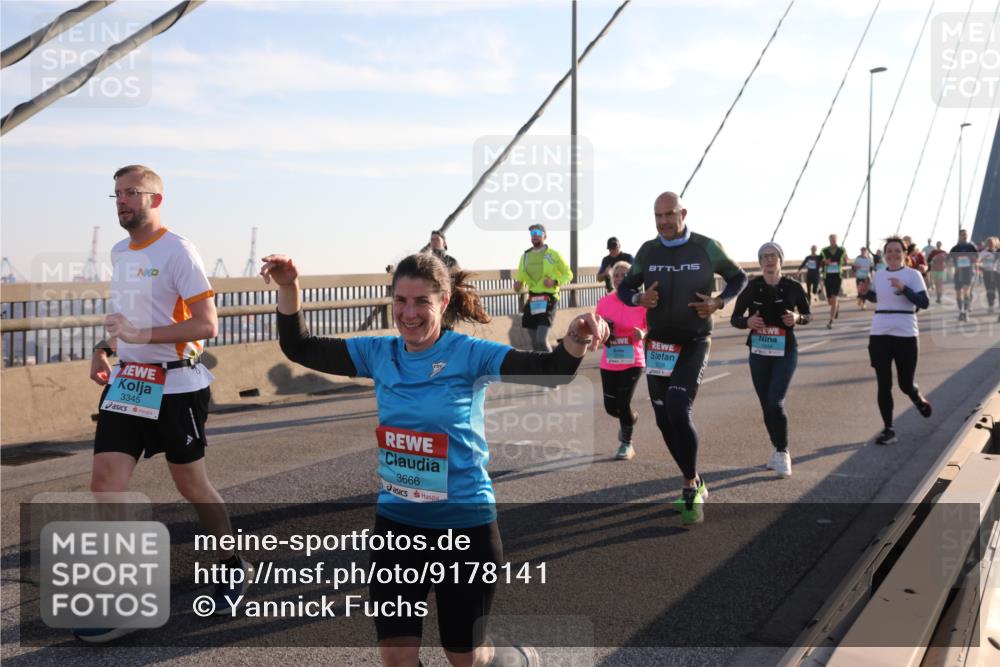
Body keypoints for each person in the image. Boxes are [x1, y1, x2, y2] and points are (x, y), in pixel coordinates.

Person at [261, 251, 607, 667]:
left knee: (464, 656)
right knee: (396, 656)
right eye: (401, 302)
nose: (409, 314)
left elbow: (551, 371)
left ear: (443, 302)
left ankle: (513, 660)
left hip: (464, 527)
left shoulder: (468, 353)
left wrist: (576, 338)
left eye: (421, 301)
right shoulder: (378, 353)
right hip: (397, 526)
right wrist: (288, 288)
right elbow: (300, 347)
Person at [83, 165, 250, 642]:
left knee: (192, 485)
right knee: (104, 483)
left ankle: (231, 563)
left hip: (177, 386)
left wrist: (144, 336)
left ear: (157, 199)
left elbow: (206, 325)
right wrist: (106, 347)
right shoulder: (119, 252)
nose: (122, 201)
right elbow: (129, 318)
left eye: (132, 192)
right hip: (128, 383)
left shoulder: (178, 251)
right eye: (117, 193)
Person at [617, 191, 748, 525]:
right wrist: (638, 297)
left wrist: (719, 302)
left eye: (668, 215)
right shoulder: (648, 250)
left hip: (694, 341)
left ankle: (690, 486)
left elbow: (739, 277)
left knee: (678, 407)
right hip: (659, 344)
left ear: (683, 213)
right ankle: (695, 478)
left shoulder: (706, 247)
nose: (663, 222)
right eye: (657, 217)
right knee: (663, 419)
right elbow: (623, 288)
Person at [730, 242, 810, 478]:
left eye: (773, 255)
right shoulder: (752, 287)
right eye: (764, 256)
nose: (768, 260)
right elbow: (735, 317)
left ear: (780, 259)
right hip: (759, 352)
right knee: (766, 404)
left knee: (776, 401)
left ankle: (783, 452)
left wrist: (797, 317)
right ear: (760, 262)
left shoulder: (793, 287)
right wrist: (747, 323)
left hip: (785, 350)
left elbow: (808, 315)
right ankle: (776, 448)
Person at [857, 237, 932, 445]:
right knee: (884, 383)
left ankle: (916, 398)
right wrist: (865, 294)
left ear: (904, 254)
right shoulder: (878, 275)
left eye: (897, 250)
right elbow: (878, 298)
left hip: (906, 332)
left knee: (905, 384)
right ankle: (889, 429)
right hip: (880, 332)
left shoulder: (913, 275)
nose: (892, 254)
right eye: (889, 251)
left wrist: (904, 289)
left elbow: (923, 303)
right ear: (884, 254)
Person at [595, 260, 647, 460]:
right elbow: (597, 326)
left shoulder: (641, 302)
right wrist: (598, 336)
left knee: (623, 402)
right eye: (616, 275)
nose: (619, 279)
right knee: (611, 408)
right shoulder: (604, 302)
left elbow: (651, 327)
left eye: (624, 275)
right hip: (609, 360)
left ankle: (626, 443)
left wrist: (642, 334)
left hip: (633, 360)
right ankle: (630, 419)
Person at [513, 224, 573, 352]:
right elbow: (520, 279)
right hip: (533, 299)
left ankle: (553, 368)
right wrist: (517, 286)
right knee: (534, 342)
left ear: (545, 236)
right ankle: (540, 370)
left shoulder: (554, 254)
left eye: (538, 232)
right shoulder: (525, 257)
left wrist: (555, 281)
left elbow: (568, 274)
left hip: (548, 298)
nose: (534, 235)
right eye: (532, 233)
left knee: (541, 339)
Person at [949, 229, 979, 321]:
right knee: (958, 294)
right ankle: (960, 311)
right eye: (963, 235)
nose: (965, 236)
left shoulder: (971, 247)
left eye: (966, 234)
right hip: (958, 273)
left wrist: (972, 261)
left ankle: (965, 312)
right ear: (959, 236)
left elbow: (977, 258)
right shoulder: (955, 248)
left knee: (966, 292)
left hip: (968, 272)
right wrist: (953, 267)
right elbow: (948, 260)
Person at [820, 234, 848, 329]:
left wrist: (843, 261)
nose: (833, 241)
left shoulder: (842, 250)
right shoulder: (824, 250)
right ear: (829, 240)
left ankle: (830, 321)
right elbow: (819, 261)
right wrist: (825, 262)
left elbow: (846, 260)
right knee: (830, 301)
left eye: (834, 239)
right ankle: (836, 305)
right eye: (831, 240)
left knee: (834, 297)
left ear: (837, 240)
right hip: (827, 276)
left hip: (837, 276)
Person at [978, 236, 998, 315]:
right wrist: (980, 266)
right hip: (986, 272)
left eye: (992, 243)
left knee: (992, 288)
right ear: (987, 244)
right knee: (988, 289)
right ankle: (990, 304)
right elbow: (978, 261)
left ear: (994, 244)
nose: (990, 244)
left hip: (995, 272)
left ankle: (992, 301)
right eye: (989, 243)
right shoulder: (983, 253)